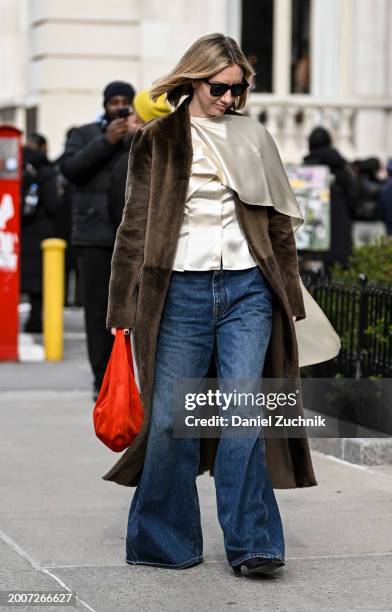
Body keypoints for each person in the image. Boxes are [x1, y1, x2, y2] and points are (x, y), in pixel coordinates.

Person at [104, 33, 340, 577]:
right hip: (178, 294)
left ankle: (252, 542)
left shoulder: (253, 136)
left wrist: (288, 294)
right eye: (220, 88)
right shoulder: (158, 140)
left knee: (242, 415)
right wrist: (121, 311)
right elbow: (134, 227)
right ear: (194, 80)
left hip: (247, 292)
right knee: (167, 423)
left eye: (239, 89)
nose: (230, 99)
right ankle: (165, 540)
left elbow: (278, 221)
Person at [59, 80, 136, 397]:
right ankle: (101, 379)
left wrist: (133, 138)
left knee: (130, 310)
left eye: (124, 102)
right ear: (104, 105)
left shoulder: (137, 135)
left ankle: (129, 378)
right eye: (113, 101)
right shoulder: (85, 134)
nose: (118, 107)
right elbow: (70, 169)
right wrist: (106, 141)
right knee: (97, 312)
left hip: (128, 236)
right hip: (93, 237)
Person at [107, 90, 172, 232]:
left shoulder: (131, 160)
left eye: (131, 113)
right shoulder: (172, 155)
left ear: (137, 122)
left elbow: (121, 215)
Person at [21, 133, 62, 333]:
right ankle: (35, 320)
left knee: (21, 276)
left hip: (20, 230)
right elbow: (54, 204)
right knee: (39, 279)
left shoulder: (16, 167)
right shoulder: (46, 171)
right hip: (42, 231)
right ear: (42, 146)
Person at [303, 127, 359, 271]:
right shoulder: (341, 167)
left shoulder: (306, 168)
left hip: (312, 228)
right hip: (340, 227)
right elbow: (353, 197)